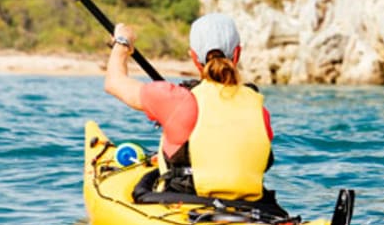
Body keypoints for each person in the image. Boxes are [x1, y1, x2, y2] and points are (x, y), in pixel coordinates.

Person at [103, 12, 281, 214]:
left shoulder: (176, 99)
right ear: (237, 54)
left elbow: (114, 82)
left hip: (187, 206)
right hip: (252, 210)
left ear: (194, 58)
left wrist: (122, 42)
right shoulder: (259, 108)